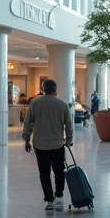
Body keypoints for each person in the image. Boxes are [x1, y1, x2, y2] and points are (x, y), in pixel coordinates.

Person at [22, 79, 75, 211]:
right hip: (57, 144)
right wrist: (69, 138)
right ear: (55, 89)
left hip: (40, 145)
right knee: (59, 171)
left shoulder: (35, 103)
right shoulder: (62, 104)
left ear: (43, 89)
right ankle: (59, 197)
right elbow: (68, 124)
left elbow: (27, 122)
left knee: (44, 173)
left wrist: (26, 139)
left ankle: (49, 200)